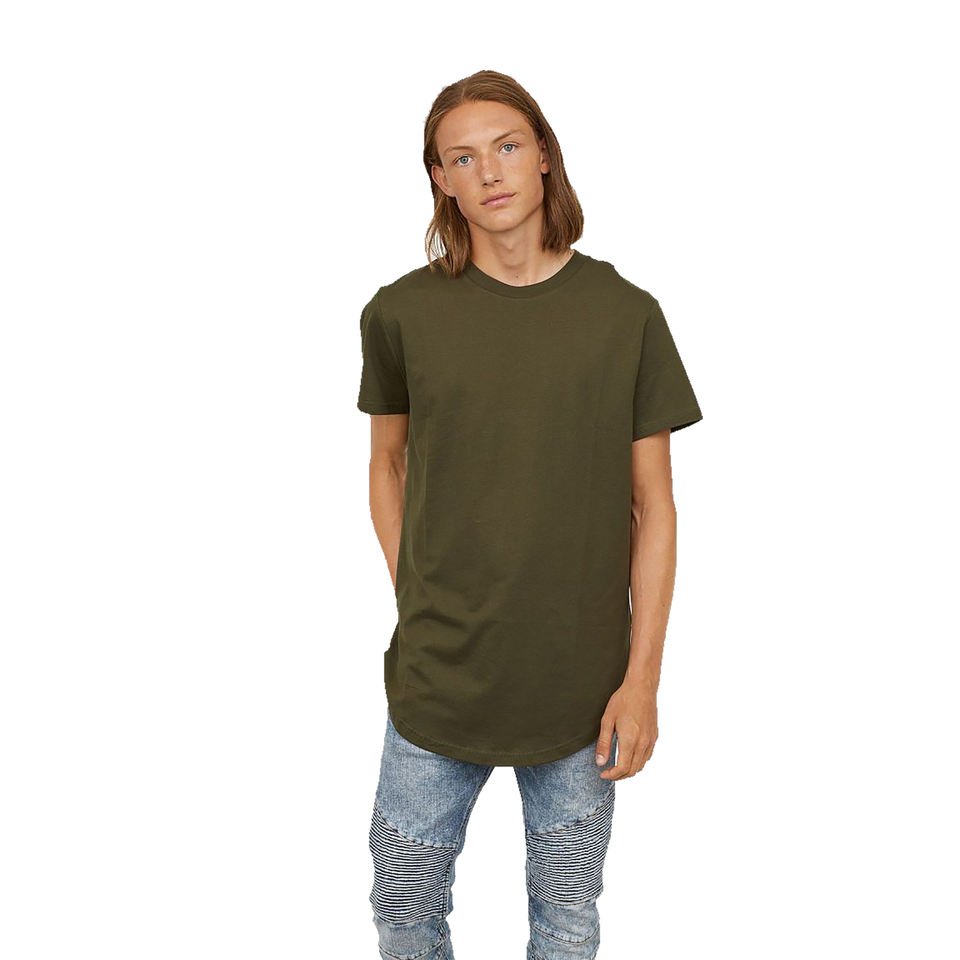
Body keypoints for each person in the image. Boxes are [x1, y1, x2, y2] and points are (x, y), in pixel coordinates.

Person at [356, 69, 703, 960]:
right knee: (403, 900)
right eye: (461, 157)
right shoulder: (400, 314)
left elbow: (655, 505)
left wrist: (642, 681)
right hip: (439, 677)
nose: (489, 171)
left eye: (507, 146)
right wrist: (417, 591)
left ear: (543, 155)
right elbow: (386, 463)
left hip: (581, 687)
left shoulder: (625, 316)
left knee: (567, 916)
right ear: (441, 180)